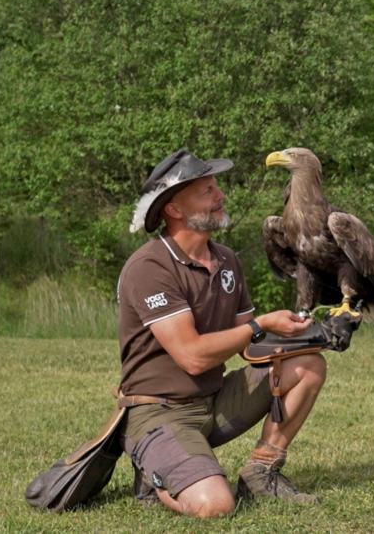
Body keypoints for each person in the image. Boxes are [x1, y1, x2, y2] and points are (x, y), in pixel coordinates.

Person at [118, 149, 324, 518]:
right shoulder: (150, 266)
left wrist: (307, 335)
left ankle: (261, 473)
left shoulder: (226, 259)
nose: (220, 196)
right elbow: (193, 357)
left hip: (214, 402)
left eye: (217, 187)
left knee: (308, 364)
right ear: (174, 210)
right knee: (215, 505)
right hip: (159, 414)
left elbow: (250, 346)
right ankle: (154, 476)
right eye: (206, 191)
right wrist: (261, 324)